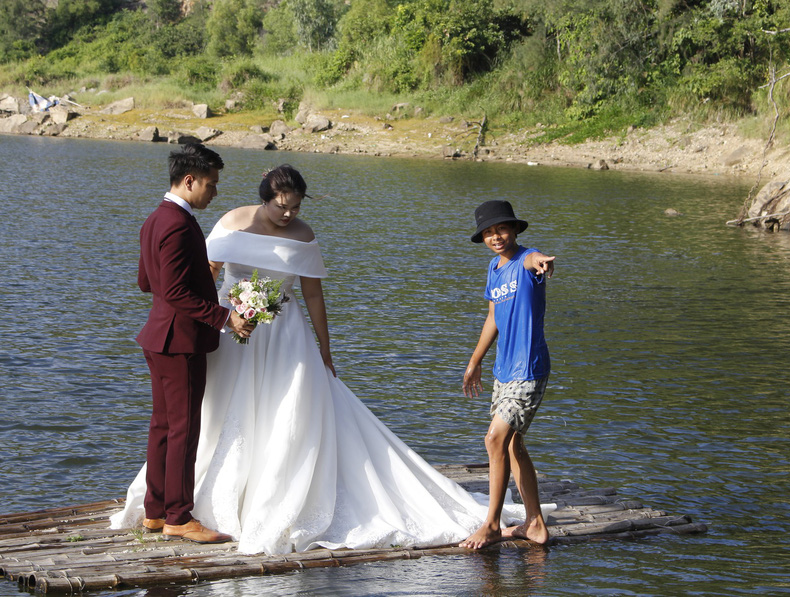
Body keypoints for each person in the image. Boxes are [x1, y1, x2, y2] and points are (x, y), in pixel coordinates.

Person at [111, 165, 530, 554]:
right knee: (205, 413)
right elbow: (203, 270)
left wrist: (325, 348)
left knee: (285, 413)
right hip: (230, 324)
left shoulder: (304, 235)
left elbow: (312, 293)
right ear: (264, 199)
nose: (289, 213)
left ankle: (261, 498)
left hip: (285, 332)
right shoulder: (231, 220)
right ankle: (176, 504)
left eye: (295, 207)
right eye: (281, 206)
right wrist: (228, 307)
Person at [134, 143, 254, 544]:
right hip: (179, 341)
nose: (214, 193)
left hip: (159, 335)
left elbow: (146, 282)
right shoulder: (178, 224)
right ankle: (179, 517)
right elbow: (174, 291)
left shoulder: (155, 219)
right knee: (184, 429)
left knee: (163, 427)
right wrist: (226, 316)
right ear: (189, 180)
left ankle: (155, 512)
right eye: (211, 184)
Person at [460, 200, 555, 549]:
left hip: (528, 369)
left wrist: (541, 261)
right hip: (504, 370)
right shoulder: (494, 269)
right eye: (488, 232)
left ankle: (491, 524)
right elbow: (493, 317)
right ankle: (535, 524)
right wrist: (475, 360)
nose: (496, 237)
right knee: (513, 444)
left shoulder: (527, 260)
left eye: (501, 229)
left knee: (494, 440)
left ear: (514, 230)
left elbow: (535, 259)